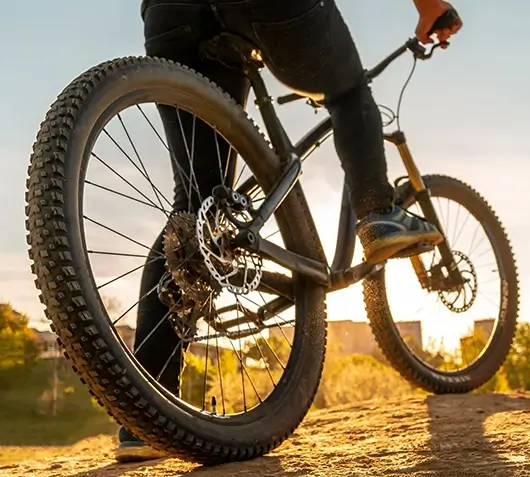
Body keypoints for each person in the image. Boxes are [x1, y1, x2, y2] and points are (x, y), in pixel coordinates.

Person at [115, 0, 462, 463]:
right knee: (347, 90)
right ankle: (377, 213)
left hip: (169, 11)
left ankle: (145, 419)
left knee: (195, 206)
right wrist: (431, 7)